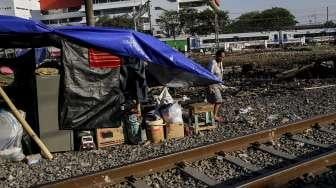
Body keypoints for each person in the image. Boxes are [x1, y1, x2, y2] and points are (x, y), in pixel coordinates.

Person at [207, 49, 225, 122]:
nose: (222, 58)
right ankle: (214, 116)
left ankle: (212, 116)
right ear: (217, 56)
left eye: (223, 57)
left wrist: (221, 85)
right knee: (218, 100)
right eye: (221, 57)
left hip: (217, 84)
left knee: (214, 101)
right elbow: (208, 75)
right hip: (212, 84)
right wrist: (209, 86)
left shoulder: (220, 63)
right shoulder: (213, 63)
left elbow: (220, 74)